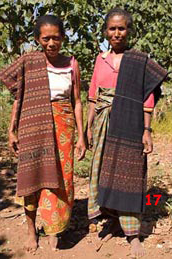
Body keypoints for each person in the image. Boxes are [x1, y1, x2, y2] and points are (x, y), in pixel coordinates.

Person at [0, 15, 86, 252]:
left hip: (63, 126)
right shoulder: (29, 62)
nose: (51, 43)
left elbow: (77, 101)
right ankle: (30, 230)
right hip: (33, 126)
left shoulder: (71, 64)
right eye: (45, 38)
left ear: (63, 38)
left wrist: (82, 136)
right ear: (37, 39)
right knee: (32, 178)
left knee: (61, 178)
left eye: (56, 38)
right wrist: (11, 129)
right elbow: (19, 96)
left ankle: (54, 229)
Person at [87, 7, 168, 257]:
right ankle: (111, 218)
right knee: (102, 171)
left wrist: (147, 130)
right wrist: (88, 128)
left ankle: (133, 234)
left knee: (130, 175)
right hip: (103, 122)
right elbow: (93, 97)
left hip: (131, 124)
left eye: (122, 28)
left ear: (129, 31)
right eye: (112, 28)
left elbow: (148, 99)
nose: (117, 33)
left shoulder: (139, 60)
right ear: (105, 32)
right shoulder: (100, 60)